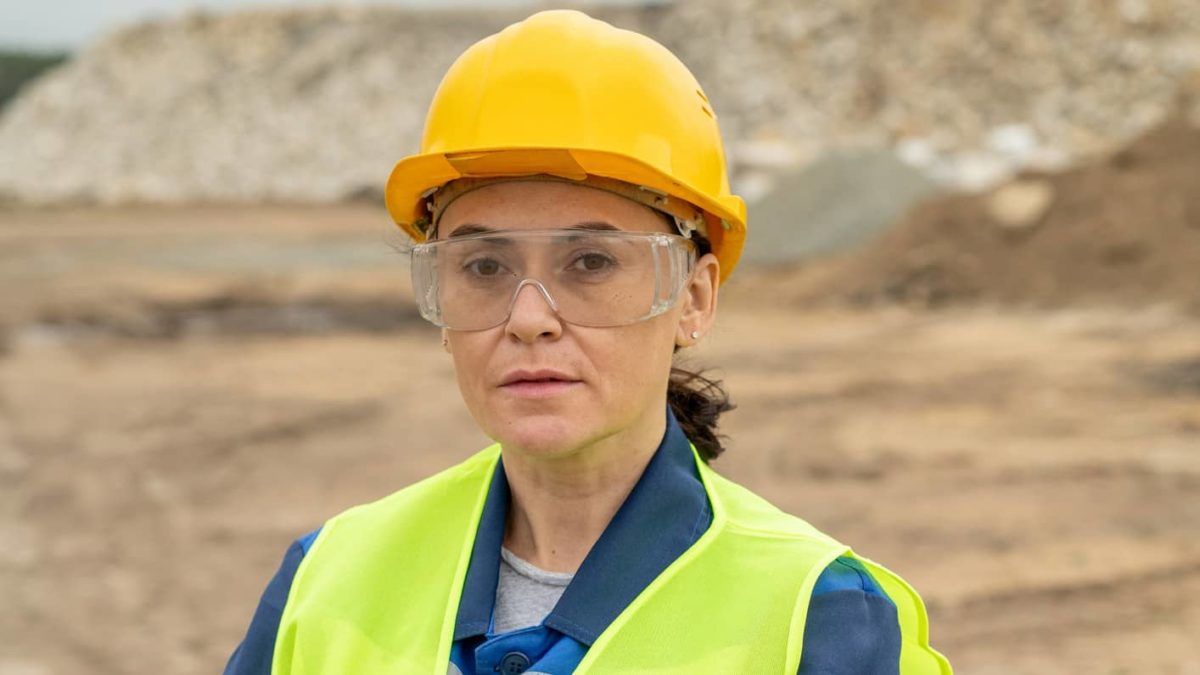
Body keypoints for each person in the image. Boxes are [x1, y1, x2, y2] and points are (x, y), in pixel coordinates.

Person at [224, 9, 951, 674]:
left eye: (592, 262)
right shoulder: (324, 584)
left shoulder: (818, 618)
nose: (528, 317)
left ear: (692, 300)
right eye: (483, 266)